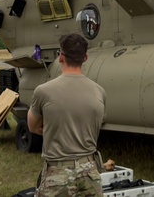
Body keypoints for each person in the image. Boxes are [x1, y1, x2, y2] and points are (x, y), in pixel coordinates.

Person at [28, 33, 106, 197]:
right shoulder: (99, 92)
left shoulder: (43, 91)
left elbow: (33, 126)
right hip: (90, 173)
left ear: (60, 57)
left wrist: (53, 127)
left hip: (58, 173)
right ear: (85, 58)